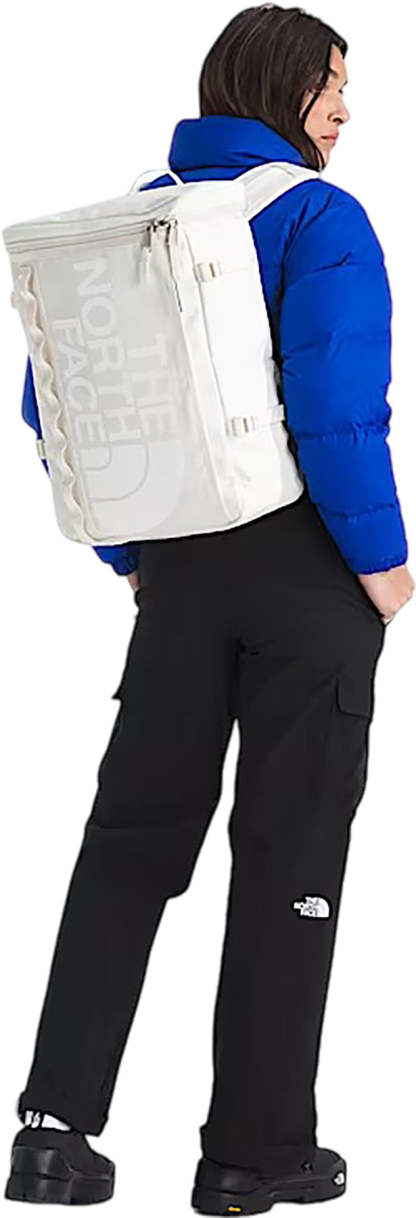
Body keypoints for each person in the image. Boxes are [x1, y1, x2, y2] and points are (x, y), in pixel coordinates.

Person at [5, 4, 414, 1211]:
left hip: (177, 574)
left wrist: (130, 554)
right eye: (331, 84)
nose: (344, 109)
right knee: (289, 853)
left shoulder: (134, 217)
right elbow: (334, 408)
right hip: (306, 572)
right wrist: (382, 564)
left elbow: (51, 405)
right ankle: (253, 1151)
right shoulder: (318, 217)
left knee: (129, 843)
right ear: (282, 86)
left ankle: (52, 1133)